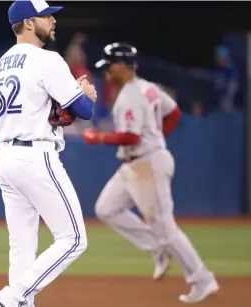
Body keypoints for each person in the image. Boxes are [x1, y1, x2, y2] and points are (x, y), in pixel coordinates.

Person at [81, 42, 219, 303]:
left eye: (110, 66)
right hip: (136, 162)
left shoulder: (130, 95)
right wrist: (157, 137)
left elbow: (131, 136)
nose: (107, 71)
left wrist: (99, 137)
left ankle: (202, 279)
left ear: (123, 65)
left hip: (147, 164)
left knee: (166, 229)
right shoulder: (149, 88)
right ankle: (156, 248)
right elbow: (173, 112)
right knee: (106, 208)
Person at [0, 1, 97, 306]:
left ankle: (17, 302)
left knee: (22, 247)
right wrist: (82, 93)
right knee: (73, 239)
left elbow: (45, 107)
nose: (52, 20)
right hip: (35, 156)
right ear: (30, 23)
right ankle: (12, 297)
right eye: (47, 15)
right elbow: (84, 110)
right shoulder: (46, 59)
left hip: (6, 157)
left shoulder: (2, 62)